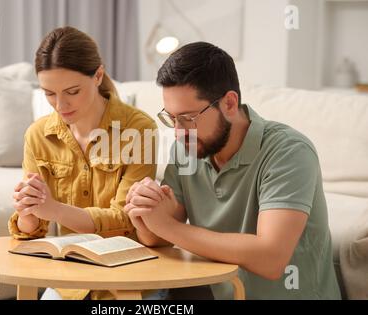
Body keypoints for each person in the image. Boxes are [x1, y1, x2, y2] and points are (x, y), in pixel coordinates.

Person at [125, 42, 342, 299]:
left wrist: (167, 228)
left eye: (188, 118)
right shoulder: (187, 149)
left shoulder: (289, 151)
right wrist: (145, 214)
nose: (179, 132)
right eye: (171, 118)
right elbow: (159, 237)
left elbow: (271, 259)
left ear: (229, 103)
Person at [8, 26, 158, 300]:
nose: (60, 104)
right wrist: (28, 210)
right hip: (71, 282)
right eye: (49, 93)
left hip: (126, 280)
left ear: (98, 75)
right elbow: (33, 231)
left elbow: (127, 218)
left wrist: (53, 209)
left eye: (72, 91)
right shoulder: (38, 135)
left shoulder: (138, 129)